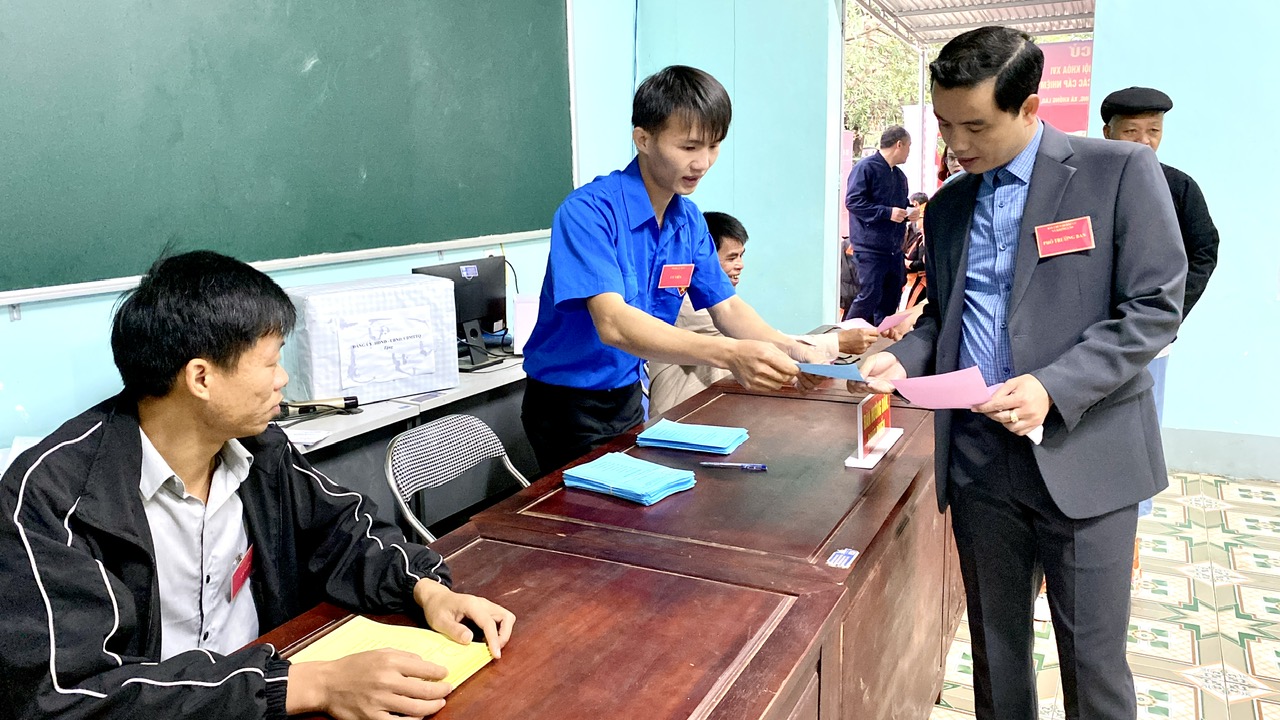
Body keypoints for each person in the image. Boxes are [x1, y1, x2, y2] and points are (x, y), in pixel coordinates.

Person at [0, 251, 516, 719]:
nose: (282, 379)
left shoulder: (259, 448)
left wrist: (424, 589)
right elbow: (64, 697)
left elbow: (342, 531)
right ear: (201, 378)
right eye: (270, 362)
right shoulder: (52, 499)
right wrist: (308, 685)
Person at [852, 27, 1185, 720]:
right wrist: (901, 357)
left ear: (1030, 107)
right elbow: (947, 316)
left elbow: (1154, 307)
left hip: (1085, 452)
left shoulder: (1116, 172)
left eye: (975, 126)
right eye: (945, 124)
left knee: (1093, 667)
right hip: (980, 461)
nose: (956, 144)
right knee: (996, 656)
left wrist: (1052, 386)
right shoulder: (950, 205)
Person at [520, 65, 824, 474]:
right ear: (643, 139)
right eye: (689, 147)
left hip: (628, 395)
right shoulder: (588, 212)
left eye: (714, 146)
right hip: (566, 406)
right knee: (590, 511)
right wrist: (730, 354)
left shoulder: (689, 220)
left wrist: (790, 348)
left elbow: (727, 308)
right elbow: (614, 324)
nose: (703, 162)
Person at [648, 211, 880, 416]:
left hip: (716, 403)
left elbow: (743, 322)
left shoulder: (716, 295)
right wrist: (833, 343)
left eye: (741, 256)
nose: (740, 265)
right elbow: (746, 341)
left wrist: (800, 356)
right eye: (731, 257)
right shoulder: (684, 303)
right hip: (681, 412)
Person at [1101, 86, 1219, 320]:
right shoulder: (1085, 182)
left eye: (1154, 130)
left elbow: (1203, 252)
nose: (1144, 141)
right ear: (1107, 132)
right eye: (1131, 131)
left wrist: (1167, 313)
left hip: (1151, 324)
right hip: (1088, 325)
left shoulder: (1180, 187)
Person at [845, 125, 916, 326]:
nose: (909, 152)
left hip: (894, 249)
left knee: (891, 297)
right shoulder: (865, 168)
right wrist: (887, 212)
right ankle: (845, 336)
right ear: (899, 144)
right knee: (869, 296)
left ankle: (881, 337)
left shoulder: (900, 176)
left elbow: (899, 206)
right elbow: (853, 202)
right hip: (870, 248)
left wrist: (908, 211)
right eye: (909, 146)